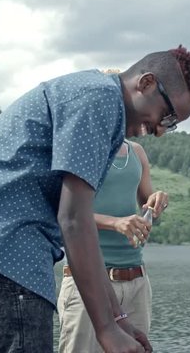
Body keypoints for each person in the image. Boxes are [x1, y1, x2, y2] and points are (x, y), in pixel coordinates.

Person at [0, 45, 190, 353]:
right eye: (167, 118)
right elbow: (73, 220)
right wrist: (106, 331)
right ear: (146, 83)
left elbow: (79, 223)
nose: (160, 131)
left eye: (172, 126)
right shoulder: (100, 99)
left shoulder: (98, 100)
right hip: (2, 266)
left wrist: (118, 319)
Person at [57, 139, 168, 352]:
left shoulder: (137, 152)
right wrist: (115, 223)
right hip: (86, 282)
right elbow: (66, 212)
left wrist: (158, 201)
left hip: (137, 280)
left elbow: (148, 205)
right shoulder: (81, 149)